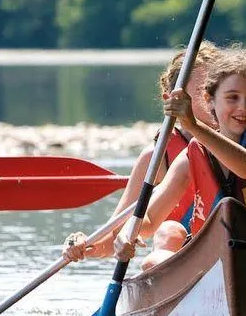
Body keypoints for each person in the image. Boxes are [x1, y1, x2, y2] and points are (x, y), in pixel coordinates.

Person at [111, 49, 246, 264]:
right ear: (210, 99)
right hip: (217, 260)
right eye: (232, 97)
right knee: (154, 259)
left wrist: (193, 126)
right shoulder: (192, 156)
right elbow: (149, 218)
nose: (243, 107)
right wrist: (128, 233)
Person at [63, 42, 221, 266]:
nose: (211, 98)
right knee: (169, 231)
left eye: (216, 90)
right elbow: (112, 239)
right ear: (171, 100)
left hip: (231, 247)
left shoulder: (240, 143)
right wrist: (82, 245)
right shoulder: (155, 158)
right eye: (202, 91)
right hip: (178, 256)